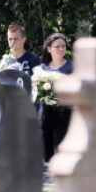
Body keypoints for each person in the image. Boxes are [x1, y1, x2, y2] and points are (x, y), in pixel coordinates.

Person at [38, 32, 73, 162]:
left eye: (63, 46)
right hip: (46, 113)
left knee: (62, 148)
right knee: (46, 148)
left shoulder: (71, 67)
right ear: (49, 49)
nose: (60, 49)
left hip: (64, 112)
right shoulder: (42, 68)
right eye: (57, 46)